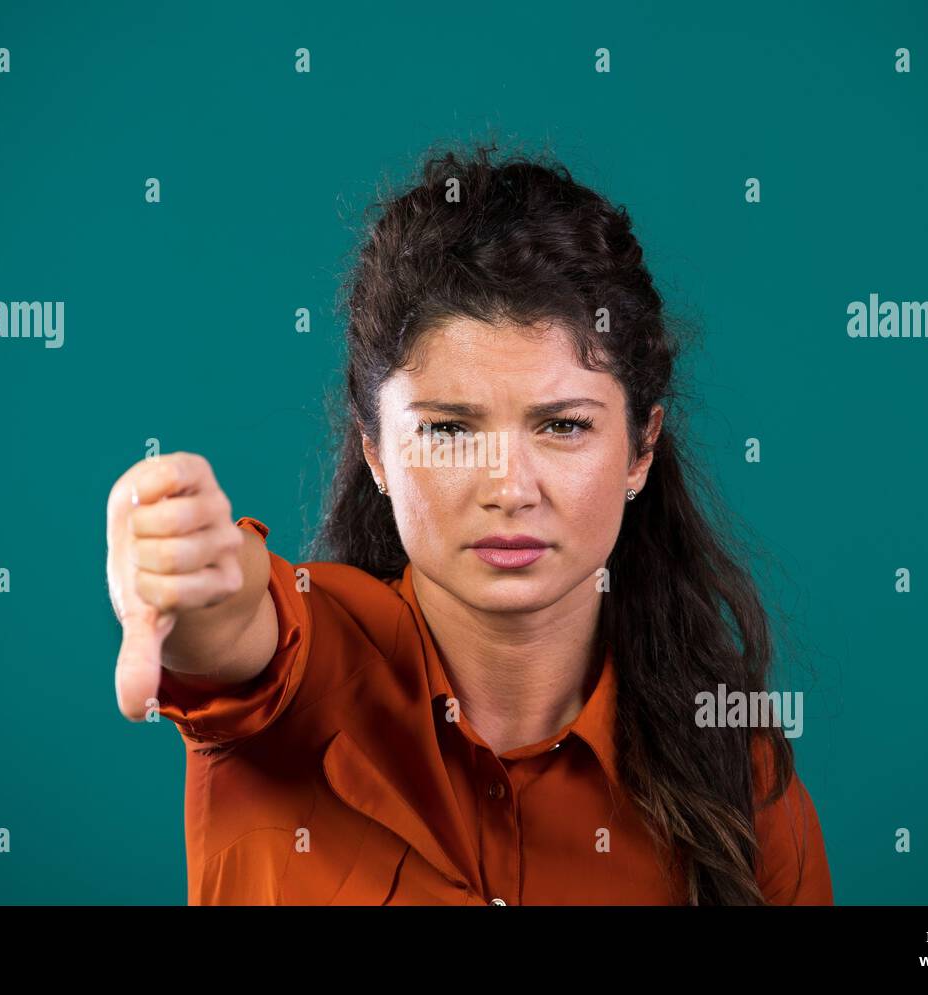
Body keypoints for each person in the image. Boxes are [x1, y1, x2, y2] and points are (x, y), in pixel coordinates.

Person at [104, 141, 833, 905]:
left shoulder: (740, 783)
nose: (510, 488)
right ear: (376, 452)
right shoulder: (300, 688)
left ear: (640, 449)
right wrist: (190, 574)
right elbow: (238, 628)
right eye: (450, 429)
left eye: (563, 426)